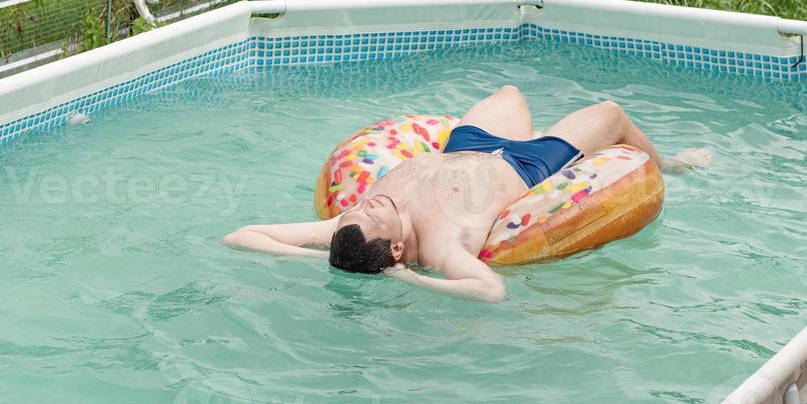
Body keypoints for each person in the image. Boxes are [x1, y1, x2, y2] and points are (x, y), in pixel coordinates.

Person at [222, 85, 711, 301]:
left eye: (361, 208)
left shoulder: (344, 228)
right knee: (611, 113)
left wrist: (326, 257)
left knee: (510, 94)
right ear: (395, 250)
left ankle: (542, 126)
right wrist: (405, 280)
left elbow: (242, 236)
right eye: (374, 215)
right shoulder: (438, 247)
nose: (367, 204)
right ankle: (670, 164)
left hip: (467, 144)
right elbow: (489, 290)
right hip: (526, 165)